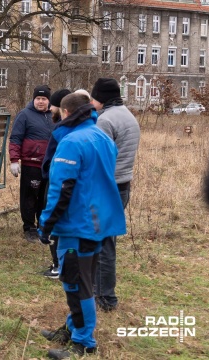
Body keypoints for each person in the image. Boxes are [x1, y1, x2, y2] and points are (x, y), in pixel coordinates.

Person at [37, 93, 126, 359]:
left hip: (78, 225)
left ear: (65, 112)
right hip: (99, 222)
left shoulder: (71, 141)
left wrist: (45, 224)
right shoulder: (103, 137)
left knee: (77, 285)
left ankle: (83, 343)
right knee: (82, 279)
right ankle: (71, 326)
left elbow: (62, 187)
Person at [90, 78, 141, 312]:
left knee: (103, 243)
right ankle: (100, 291)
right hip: (123, 185)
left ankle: (105, 297)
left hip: (107, 187)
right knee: (106, 240)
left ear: (101, 97)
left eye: (93, 97)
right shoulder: (127, 114)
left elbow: (97, 158)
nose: (91, 102)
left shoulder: (104, 120)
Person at [9, 85, 53, 243]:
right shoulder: (24, 115)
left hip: (48, 165)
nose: (40, 102)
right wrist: (14, 160)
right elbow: (15, 138)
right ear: (33, 99)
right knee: (29, 196)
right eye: (38, 99)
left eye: (44, 99)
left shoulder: (53, 115)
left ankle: (42, 225)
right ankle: (29, 227)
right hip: (31, 164)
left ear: (49, 100)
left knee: (44, 197)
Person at [39, 88, 71, 279]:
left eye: (52, 104)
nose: (49, 108)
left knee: (55, 221)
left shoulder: (61, 130)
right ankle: (60, 263)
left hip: (57, 182)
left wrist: (47, 171)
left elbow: (55, 158)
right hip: (61, 181)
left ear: (61, 108)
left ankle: (59, 265)